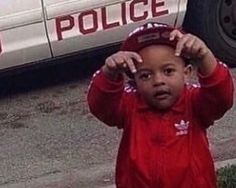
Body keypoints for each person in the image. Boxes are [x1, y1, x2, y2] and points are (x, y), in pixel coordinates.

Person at [87, 22, 234, 188]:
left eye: (168, 71)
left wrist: (205, 57)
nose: (158, 81)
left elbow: (222, 97)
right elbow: (100, 107)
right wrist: (109, 73)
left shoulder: (194, 101)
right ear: (134, 80)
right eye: (145, 76)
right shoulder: (130, 104)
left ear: (186, 73)